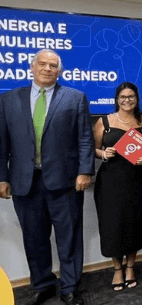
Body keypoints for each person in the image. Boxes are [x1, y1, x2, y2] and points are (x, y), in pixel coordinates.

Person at [0, 49, 94, 305]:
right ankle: (43, 284)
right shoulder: (8, 100)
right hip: (24, 182)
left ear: (59, 71)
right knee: (34, 237)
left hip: (65, 181)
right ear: (32, 67)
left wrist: (85, 170)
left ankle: (69, 287)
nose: (47, 68)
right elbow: (2, 143)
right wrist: (2, 177)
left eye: (53, 65)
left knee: (69, 237)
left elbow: (85, 138)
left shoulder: (75, 98)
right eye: (42, 64)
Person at [93, 82, 142, 291]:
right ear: (117, 99)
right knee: (112, 225)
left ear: (137, 98)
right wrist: (103, 153)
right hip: (110, 182)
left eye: (131, 96)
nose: (127, 100)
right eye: (123, 97)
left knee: (134, 224)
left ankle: (130, 267)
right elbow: (93, 149)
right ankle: (117, 269)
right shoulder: (104, 121)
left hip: (138, 181)